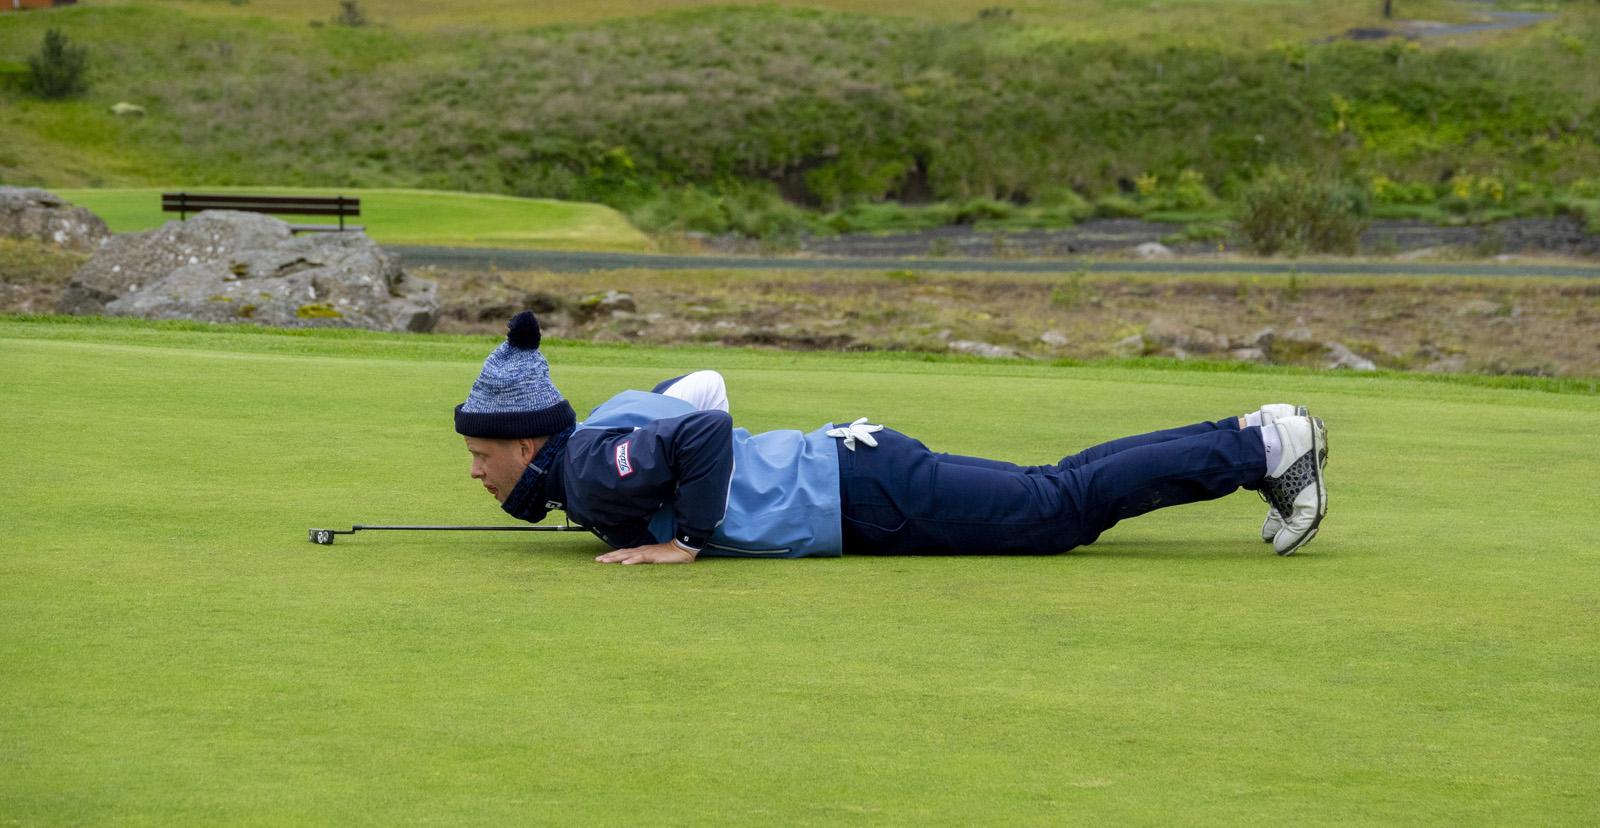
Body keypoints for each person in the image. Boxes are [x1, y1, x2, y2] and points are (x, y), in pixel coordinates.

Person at [456, 313, 1328, 565]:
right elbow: (702, 388)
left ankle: (1260, 449)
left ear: (526, 444)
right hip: (855, 465)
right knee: (1053, 487)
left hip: (864, 495)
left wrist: (682, 538)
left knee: (1057, 508)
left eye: (480, 455)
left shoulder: (590, 470)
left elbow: (708, 427)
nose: (475, 472)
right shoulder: (601, 425)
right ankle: (1256, 437)